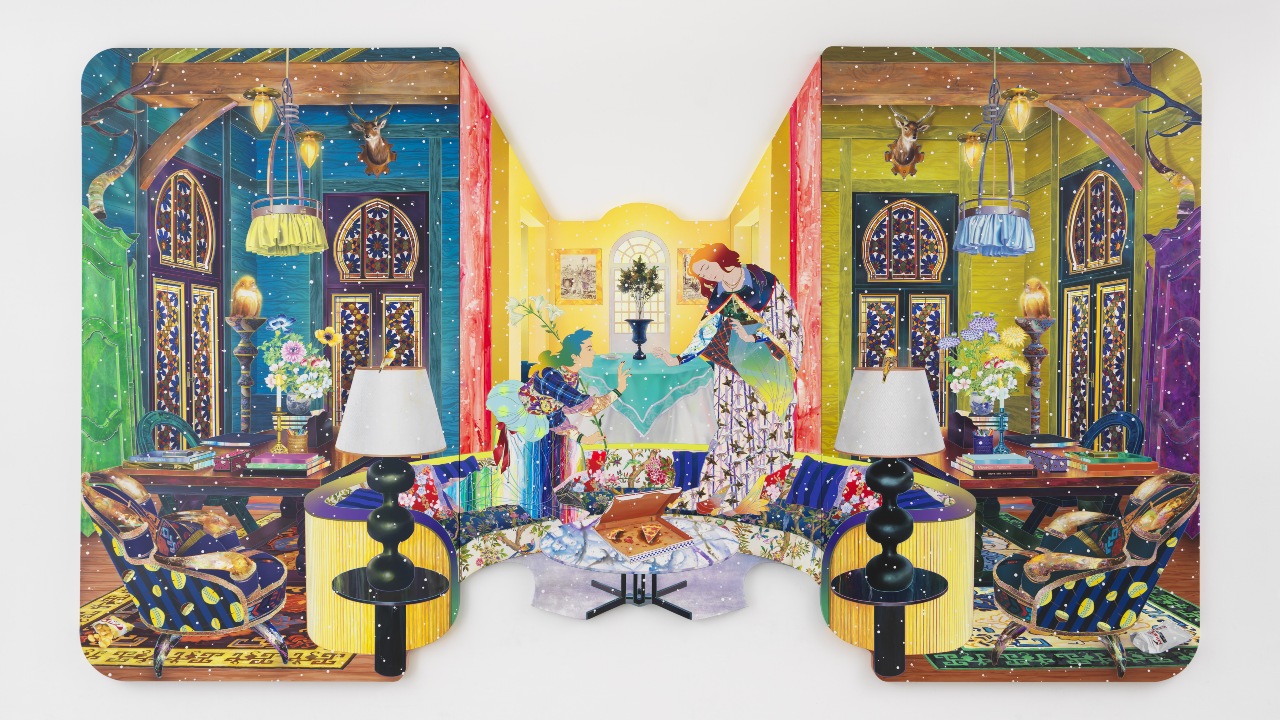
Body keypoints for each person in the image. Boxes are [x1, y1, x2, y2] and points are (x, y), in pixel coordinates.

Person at [653, 243, 803, 513]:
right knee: (731, 429)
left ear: (720, 258)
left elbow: (788, 325)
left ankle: (752, 493)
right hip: (731, 373)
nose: (707, 275)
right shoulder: (720, 291)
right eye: (702, 274)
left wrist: (753, 335)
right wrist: (679, 358)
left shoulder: (764, 282)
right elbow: (706, 331)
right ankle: (721, 491)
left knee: (762, 429)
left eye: (706, 267)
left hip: (765, 370)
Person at [486, 329, 630, 518]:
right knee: (528, 483)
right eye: (589, 349)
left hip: (543, 429)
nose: (594, 353)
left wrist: (582, 438)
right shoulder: (552, 376)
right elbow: (588, 407)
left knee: (552, 479)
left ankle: (548, 514)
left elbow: (559, 415)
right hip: (525, 430)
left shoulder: (571, 377)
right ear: (574, 356)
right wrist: (618, 390)